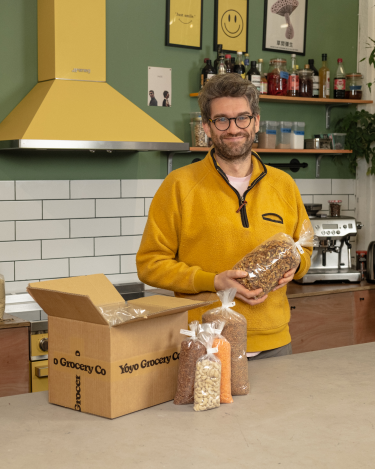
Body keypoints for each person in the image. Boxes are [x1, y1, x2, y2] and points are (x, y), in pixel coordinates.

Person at [137, 73, 312, 360]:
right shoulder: (179, 185)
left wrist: (297, 265)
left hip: (275, 345)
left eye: (242, 118)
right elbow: (149, 265)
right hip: (206, 344)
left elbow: (303, 246)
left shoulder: (284, 185)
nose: (233, 129)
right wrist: (213, 281)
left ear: (256, 121)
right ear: (206, 126)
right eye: (221, 120)